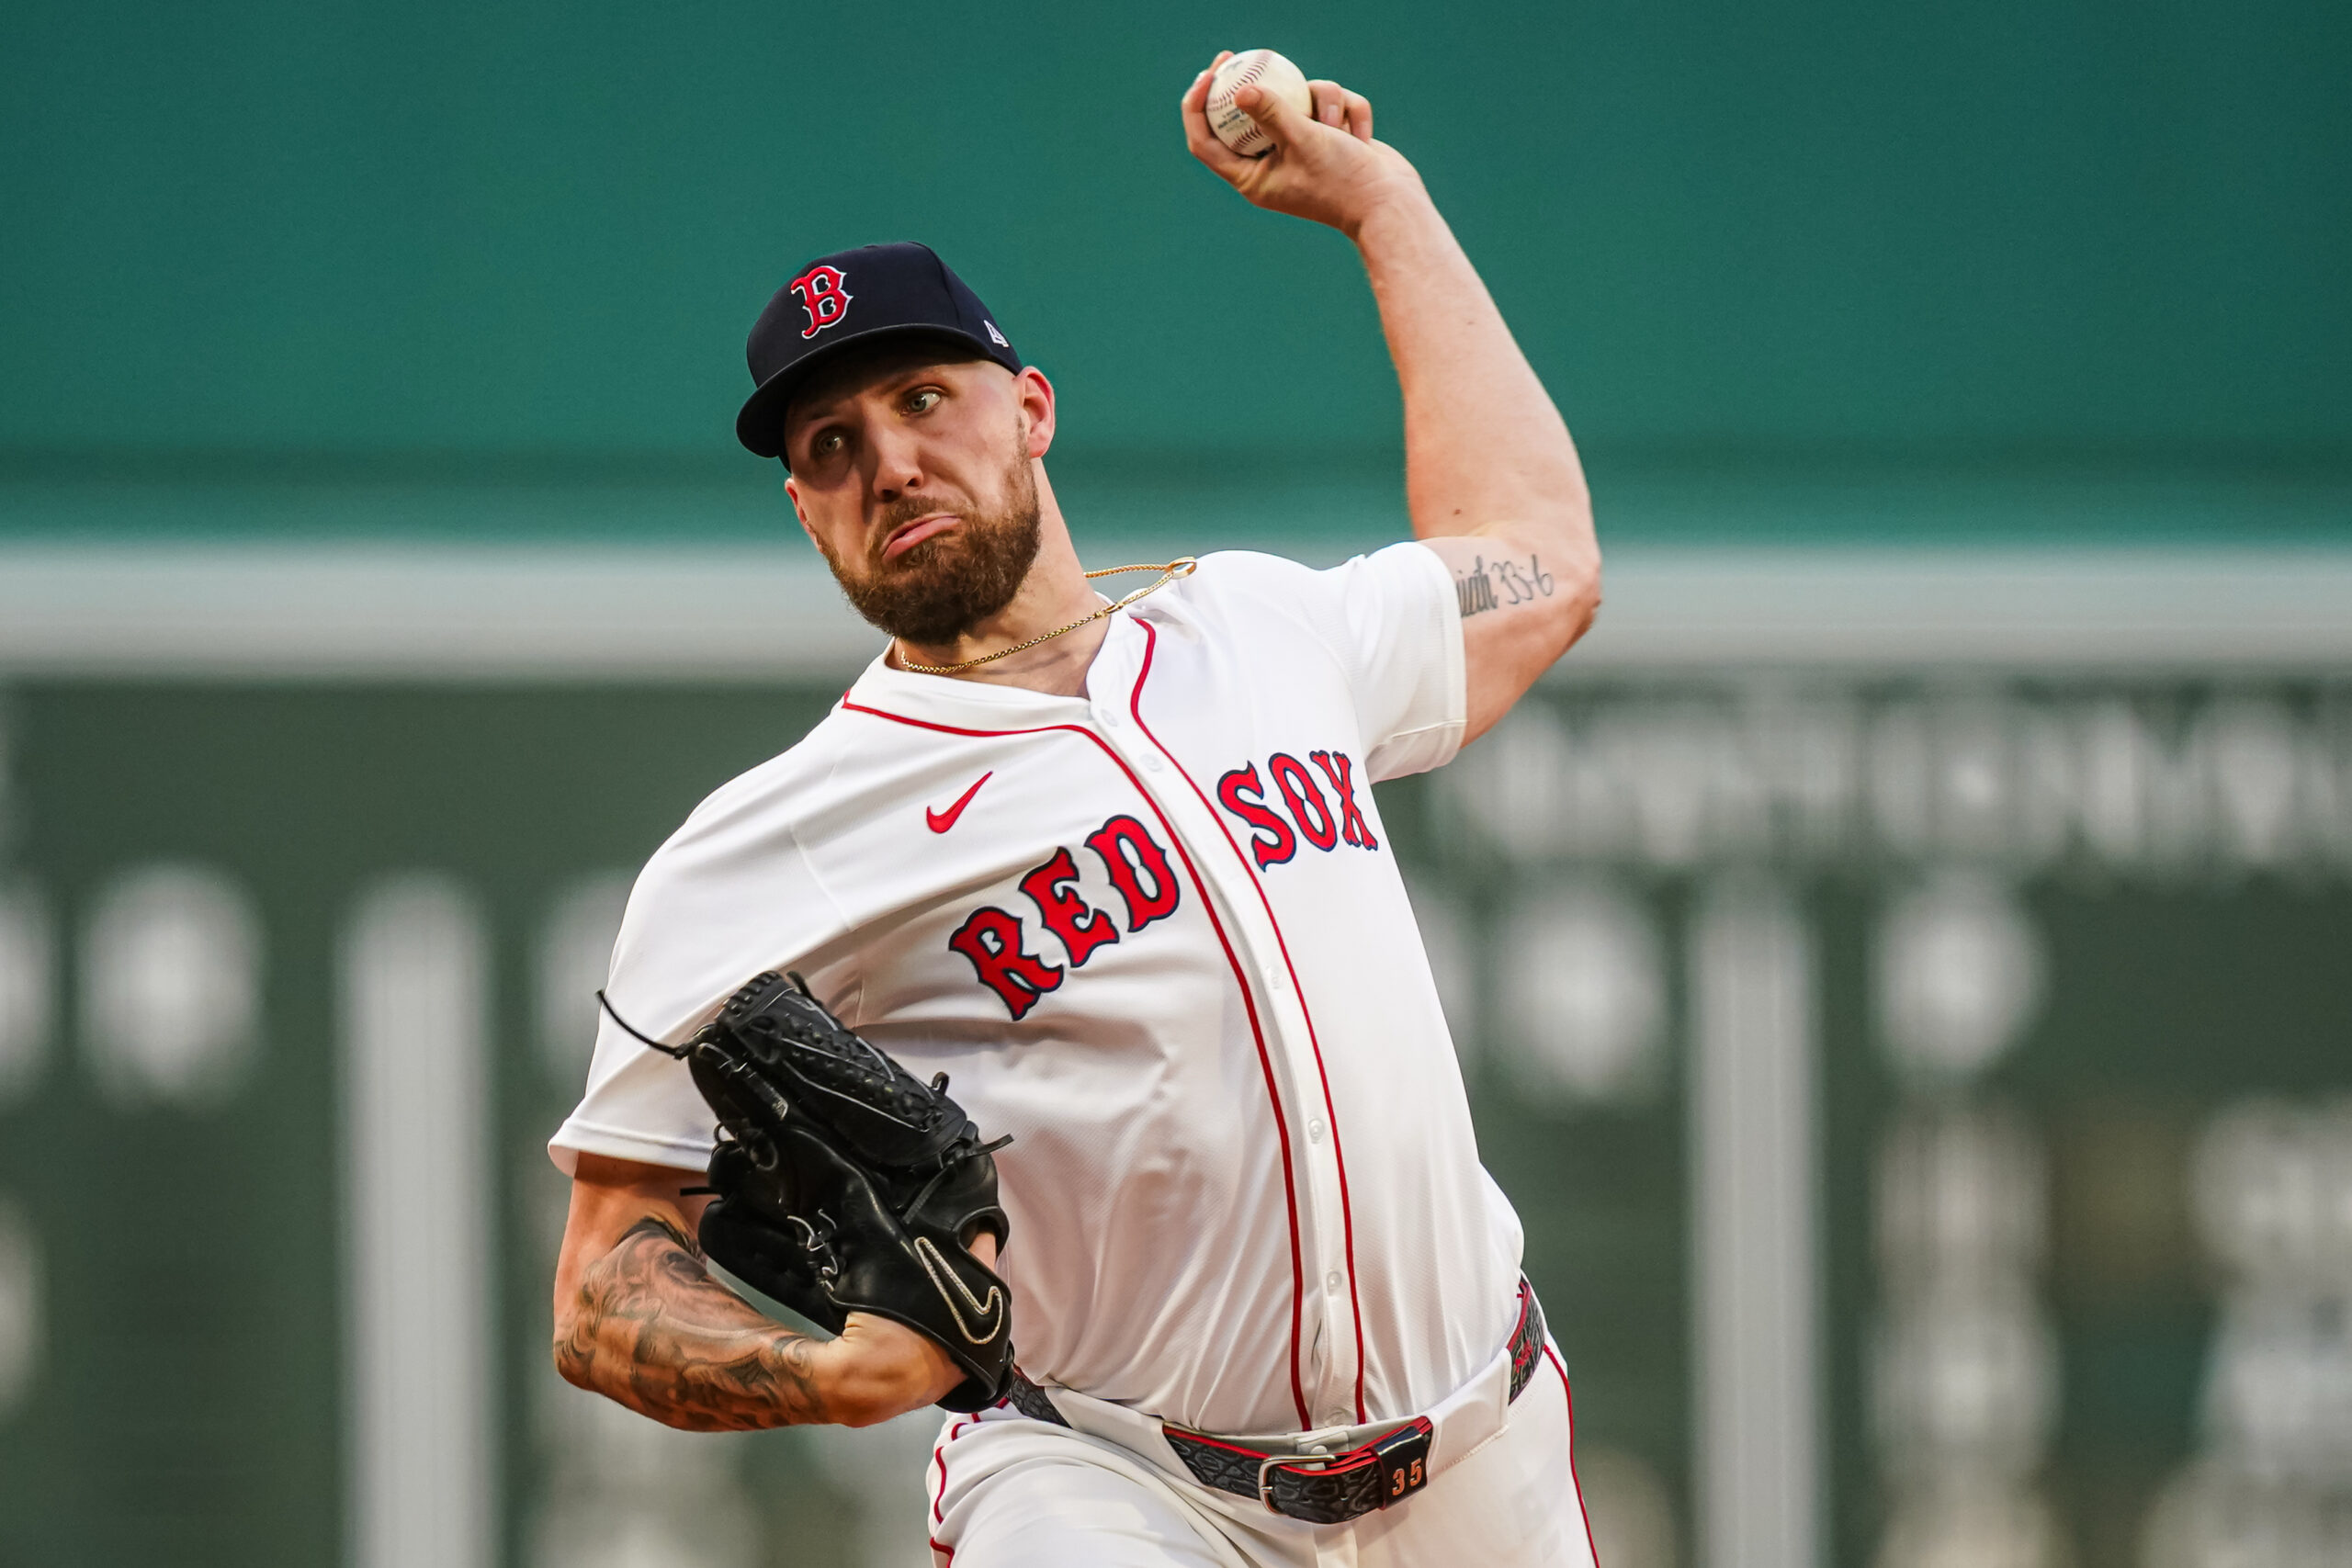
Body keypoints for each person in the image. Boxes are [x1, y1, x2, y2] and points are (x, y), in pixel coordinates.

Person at [550, 51, 1603, 1566]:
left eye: (925, 398)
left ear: (1032, 408)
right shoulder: (771, 839)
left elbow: (1541, 561)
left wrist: (1386, 206)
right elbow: (604, 1277)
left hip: (1480, 1461)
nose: (889, 460)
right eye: (829, 447)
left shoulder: (1262, 629)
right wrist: (828, 1376)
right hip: (1111, 1481)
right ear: (802, 507)